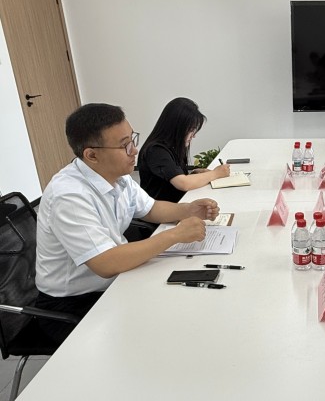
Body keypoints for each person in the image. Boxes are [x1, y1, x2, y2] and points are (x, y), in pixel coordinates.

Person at [35, 103, 220, 344]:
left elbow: (150, 208)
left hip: (116, 282)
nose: (134, 150)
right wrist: (175, 235)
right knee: (159, 334)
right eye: (124, 145)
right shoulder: (69, 196)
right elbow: (106, 263)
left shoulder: (117, 176)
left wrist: (188, 210)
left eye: (132, 139)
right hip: (72, 305)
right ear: (92, 155)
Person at [138, 97, 230, 203]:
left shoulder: (171, 147)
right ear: (176, 127)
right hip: (163, 211)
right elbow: (183, 183)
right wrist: (215, 173)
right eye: (191, 130)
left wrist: (195, 174)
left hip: (177, 204)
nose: (193, 136)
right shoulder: (156, 150)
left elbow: (172, 179)